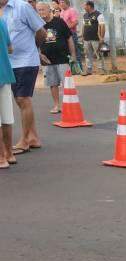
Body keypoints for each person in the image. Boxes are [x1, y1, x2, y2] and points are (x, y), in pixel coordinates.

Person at [0, 0, 46, 155]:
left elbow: (41, 31)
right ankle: (33, 138)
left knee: (22, 99)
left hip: (26, 60)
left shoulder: (22, 7)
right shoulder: (1, 10)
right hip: (8, 63)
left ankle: (25, 140)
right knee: (20, 100)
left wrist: (35, 49)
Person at [37, 2, 74, 114]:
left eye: (43, 9)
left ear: (49, 10)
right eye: (38, 10)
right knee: (52, 84)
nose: (41, 12)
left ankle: (70, 105)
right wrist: (39, 54)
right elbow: (35, 42)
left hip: (62, 58)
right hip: (47, 60)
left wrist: (73, 55)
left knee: (67, 83)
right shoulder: (38, 25)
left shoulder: (59, 22)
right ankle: (56, 105)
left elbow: (69, 38)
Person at [0, 14, 14, 169]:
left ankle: (1, 157)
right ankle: (9, 154)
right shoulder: (2, 22)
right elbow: (10, 48)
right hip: (4, 72)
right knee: (7, 117)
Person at [81, 0, 105, 75]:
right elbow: (84, 26)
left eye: (85, 6)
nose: (84, 7)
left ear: (89, 6)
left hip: (96, 39)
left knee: (98, 54)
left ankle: (101, 69)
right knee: (87, 55)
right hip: (86, 39)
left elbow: (102, 26)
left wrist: (101, 37)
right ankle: (89, 70)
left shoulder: (99, 15)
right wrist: (82, 36)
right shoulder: (85, 15)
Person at [58, 0, 80, 65]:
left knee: (75, 50)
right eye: (60, 3)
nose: (61, 4)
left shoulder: (71, 10)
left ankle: (79, 68)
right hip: (64, 35)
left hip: (71, 34)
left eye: (62, 2)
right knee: (67, 51)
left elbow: (76, 22)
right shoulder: (62, 12)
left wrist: (66, 29)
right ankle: (71, 68)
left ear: (67, 3)